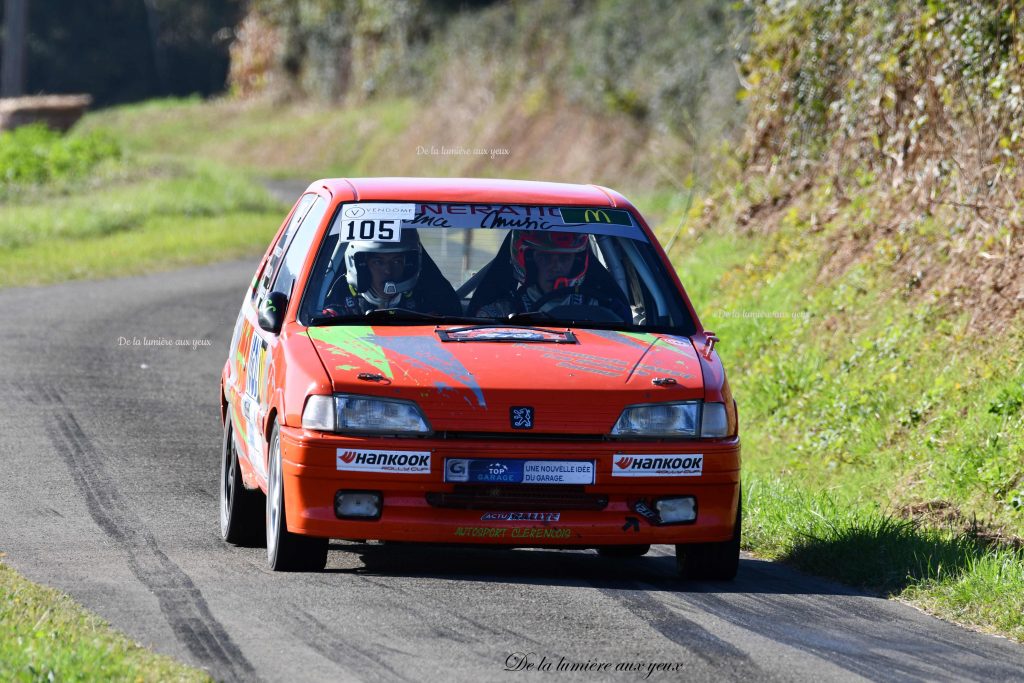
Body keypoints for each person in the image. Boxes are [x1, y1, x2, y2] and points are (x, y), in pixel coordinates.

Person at [474, 230, 630, 320]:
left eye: (564, 258)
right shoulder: (499, 313)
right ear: (528, 261)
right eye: (545, 257)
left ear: (578, 261)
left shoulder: (606, 308)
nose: (556, 266)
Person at [322, 230, 455, 316]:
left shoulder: (426, 297)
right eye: (379, 262)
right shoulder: (335, 299)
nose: (388, 271)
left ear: (408, 265)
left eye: (397, 262)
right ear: (362, 266)